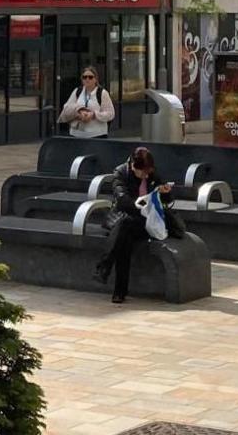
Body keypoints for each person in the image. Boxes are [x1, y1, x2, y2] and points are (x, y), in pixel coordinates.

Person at [93, 146, 177, 304]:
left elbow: (166, 201)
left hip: (147, 221)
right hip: (128, 216)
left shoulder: (153, 174)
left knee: (124, 229)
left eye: (147, 171)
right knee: (125, 236)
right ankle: (118, 290)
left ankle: (105, 268)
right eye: (142, 172)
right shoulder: (121, 172)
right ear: (133, 166)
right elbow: (122, 199)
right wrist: (139, 205)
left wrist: (166, 193)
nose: (145, 175)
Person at [59, 66, 115, 138]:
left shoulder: (102, 93)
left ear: (95, 79)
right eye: (84, 77)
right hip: (77, 134)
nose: (87, 79)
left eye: (90, 77)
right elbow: (67, 107)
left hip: (97, 134)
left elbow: (111, 114)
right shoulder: (77, 91)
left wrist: (94, 114)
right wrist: (79, 113)